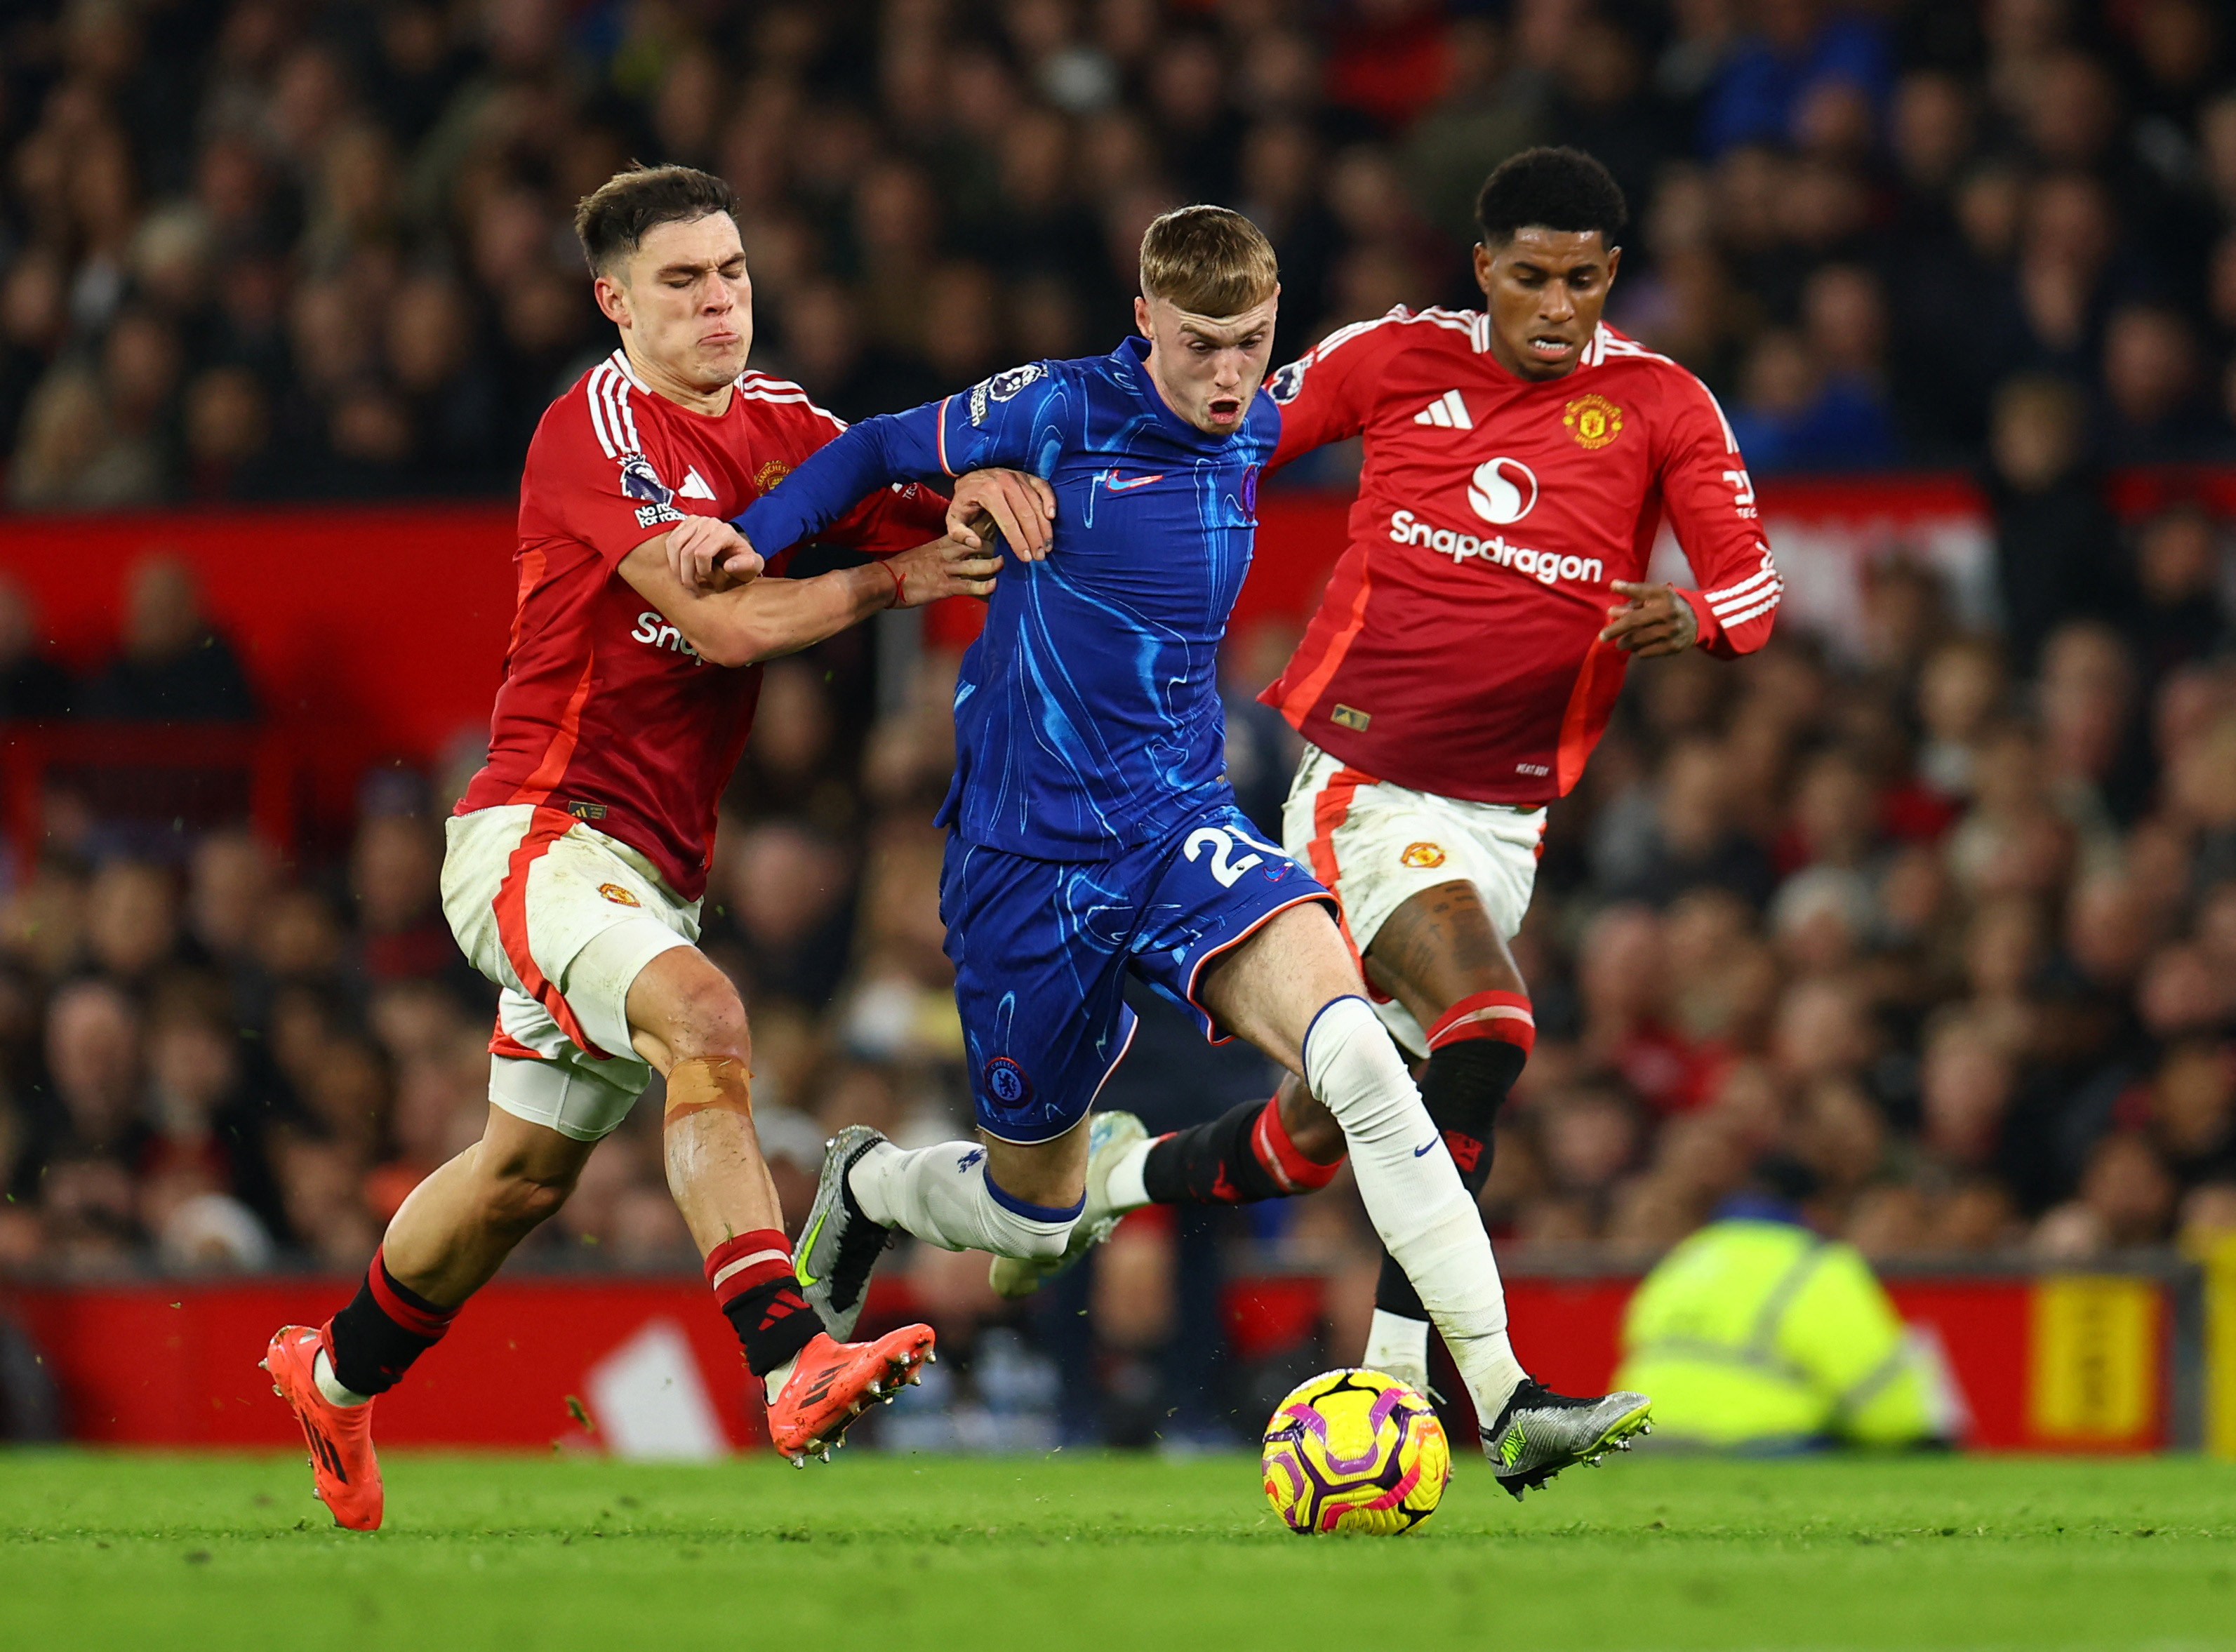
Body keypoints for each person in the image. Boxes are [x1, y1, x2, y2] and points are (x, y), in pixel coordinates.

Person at [673, 205, 1652, 1498]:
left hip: (1180, 820)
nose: (1227, 376)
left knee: (1360, 1048)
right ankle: (872, 1185)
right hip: (1023, 860)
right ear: (1146, 321)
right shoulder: (1055, 409)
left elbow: (1453, 371)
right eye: (1198, 345)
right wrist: (767, 533)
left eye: (1250, 342)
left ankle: (1504, 1396)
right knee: (1037, 1209)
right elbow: (871, 449)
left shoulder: (1260, 420)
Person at [262, 164, 1029, 1531]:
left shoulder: (794, 428)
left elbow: (930, 505)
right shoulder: (592, 427)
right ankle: (792, 1357)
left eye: (731, 270)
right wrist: (892, 579)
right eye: (683, 280)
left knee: (517, 1181)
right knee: (707, 1017)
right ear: (616, 301)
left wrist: (1001, 502)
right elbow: (728, 625)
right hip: (534, 834)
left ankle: (333, 1370)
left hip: (650, 871)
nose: (719, 300)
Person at [990, 148, 1781, 1404]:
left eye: (1582, 279)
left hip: (1508, 820)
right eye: (1530, 277)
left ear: (1611, 276)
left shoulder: (1662, 403)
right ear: (1483, 270)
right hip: (1367, 789)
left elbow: (1754, 585)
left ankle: (1110, 1180)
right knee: (1489, 1025)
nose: (1557, 305)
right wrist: (1035, 474)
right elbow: (1218, 428)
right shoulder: (1393, 356)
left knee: (1315, 1137)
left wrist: (1697, 618)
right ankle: (1435, 1386)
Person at [1613, 1160, 1957, 1451]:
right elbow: (1886, 1405)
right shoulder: (1817, 1267)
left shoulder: (1687, 1257)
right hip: (1755, 1446)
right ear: (1815, 1210)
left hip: (1645, 1442)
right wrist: (1928, 1439)